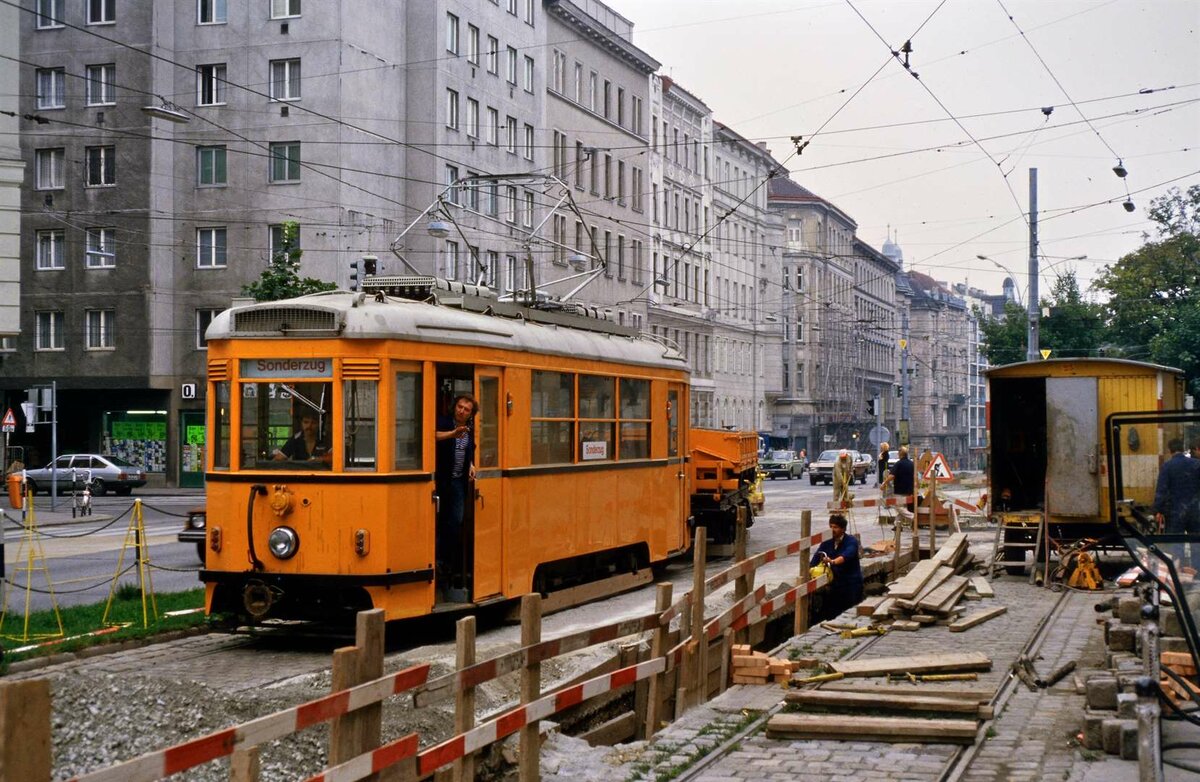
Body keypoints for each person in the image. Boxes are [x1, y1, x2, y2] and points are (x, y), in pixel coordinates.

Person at [435, 394, 478, 595]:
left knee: (456, 521)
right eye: (460, 407)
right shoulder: (444, 422)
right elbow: (432, 436)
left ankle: (446, 562)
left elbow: (470, 451)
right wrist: (453, 434)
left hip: (458, 482)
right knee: (441, 519)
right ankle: (438, 559)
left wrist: (471, 464)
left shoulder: (469, 430)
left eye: (466, 409)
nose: (461, 411)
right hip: (442, 481)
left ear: (471, 414)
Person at [1153, 437, 1200, 572]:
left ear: (1170, 450)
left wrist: (1158, 510)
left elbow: (1161, 490)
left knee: (1176, 542)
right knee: (1196, 541)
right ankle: (1197, 571)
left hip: (1175, 511)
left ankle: (1177, 571)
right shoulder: (1196, 464)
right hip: (1195, 510)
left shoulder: (1167, 466)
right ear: (1182, 448)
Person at [810, 514, 863, 618]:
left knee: (851, 614)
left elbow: (846, 555)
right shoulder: (827, 541)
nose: (832, 530)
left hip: (851, 583)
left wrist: (832, 561)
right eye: (831, 526)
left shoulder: (851, 541)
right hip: (835, 584)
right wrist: (809, 571)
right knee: (832, 613)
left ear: (843, 529)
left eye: (835, 527)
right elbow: (816, 557)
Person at [883, 446, 916, 512]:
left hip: (900, 491)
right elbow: (916, 476)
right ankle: (900, 520)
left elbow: (891, 476)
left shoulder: (898, 464)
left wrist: (884, 484)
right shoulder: (912, 464)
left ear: (900, 454)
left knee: (899, 508)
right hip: (910, 491)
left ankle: (911, 516)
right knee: (903, 510)